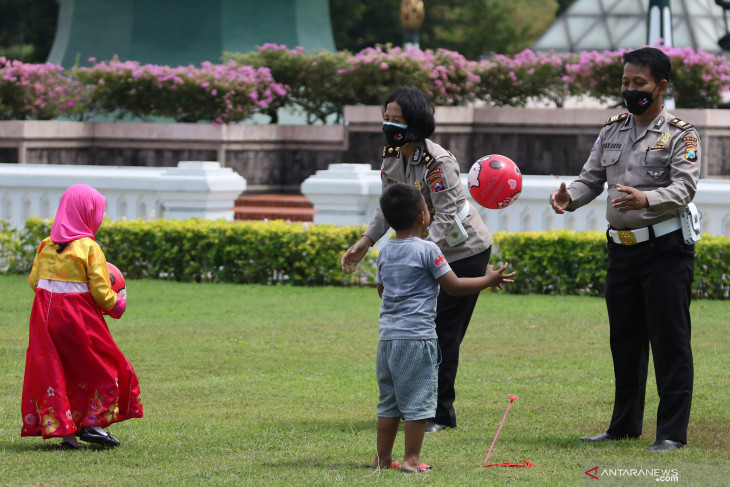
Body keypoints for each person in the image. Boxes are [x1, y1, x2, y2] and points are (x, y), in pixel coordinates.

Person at [549, 47, 700, 452]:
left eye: (639, 84)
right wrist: (570, 198)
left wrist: (645, 200)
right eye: (625, 82)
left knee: (670, 340)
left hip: (666, 249)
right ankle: (624, 426)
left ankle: (670, 433)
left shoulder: (682, 134)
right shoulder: (612, 130)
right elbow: (590, 179)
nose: (630, 90)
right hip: (622, 250)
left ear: (661, 87)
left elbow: (684, 189)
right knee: (626, 340)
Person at [342, 86, 494, 433]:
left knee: (443, 333)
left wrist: (420, 252)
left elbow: (444, 215)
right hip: (426, 251)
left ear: (417, 123)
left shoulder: (438, 163)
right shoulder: (392, 157)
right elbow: (390, 208)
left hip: (463, 252)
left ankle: (440, 414)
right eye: (387, 118)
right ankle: (418, 408)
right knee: (422, 332)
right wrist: (365, 242)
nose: (389, 125)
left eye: (397, 120)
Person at [370, 183, 514, 472]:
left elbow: (382, 291)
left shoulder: (385, 252)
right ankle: (411, 461)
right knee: (418, 404)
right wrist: (488, 280)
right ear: (424, 216)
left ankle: (382, 459)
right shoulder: (429, 250)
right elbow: (455, 285)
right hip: (417, 339)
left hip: (387, 340)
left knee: (388, 403)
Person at [21, 184, 143, 450]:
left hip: (43, 318)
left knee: (56, 370)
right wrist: (118, 304)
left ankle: (67, 436)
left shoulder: (46, 246)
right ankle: (94, 425)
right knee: (105, 367)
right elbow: (101, 292)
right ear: (88, 213)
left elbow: (34, 282)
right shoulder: (89, 248)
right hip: (77, 318)